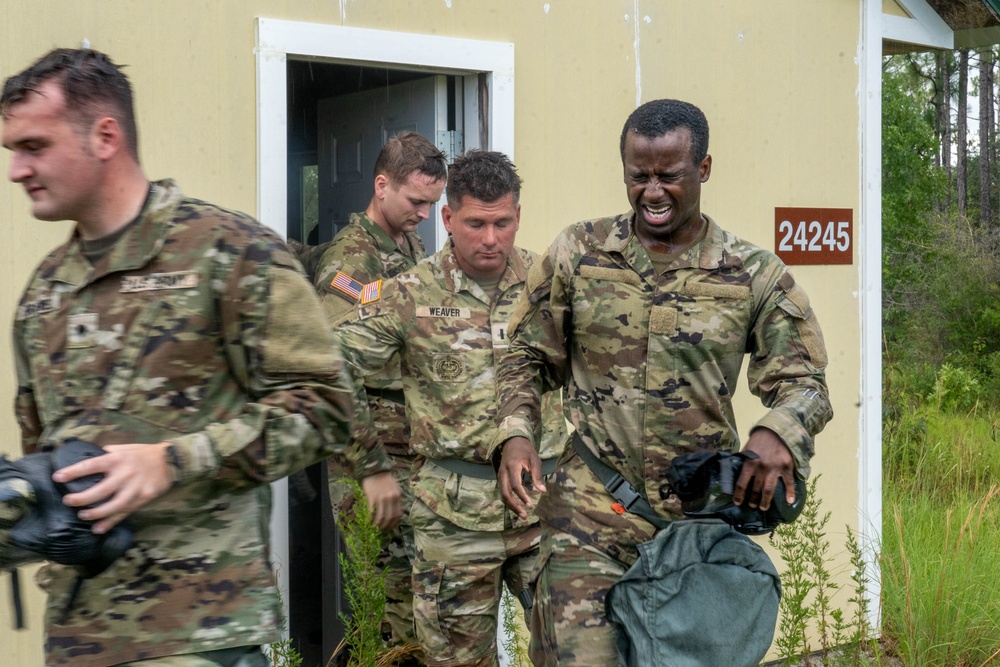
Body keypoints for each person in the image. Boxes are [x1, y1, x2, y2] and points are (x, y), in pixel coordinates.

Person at [0, 48, 400, 667]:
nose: (16, 169)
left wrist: (173, 461)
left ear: (105, 135)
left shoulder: (228, 255)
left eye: (34, 146)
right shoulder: (43, 295)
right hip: (79, 637)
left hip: (201, 635)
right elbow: (50, 460)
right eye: (12, 151)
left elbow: (326, 406)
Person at [493, 98, 833, 665]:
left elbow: (806, 380)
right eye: (638, 176)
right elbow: (526, 356)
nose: (652, 191)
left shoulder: (752, 272)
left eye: (669, 176)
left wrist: (779, 430)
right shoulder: (578, 253)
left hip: (696, 533)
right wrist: (515, 432)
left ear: (703, 168)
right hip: (589, 516)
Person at [333, 150, 566, 667]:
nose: (490, 239)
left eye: (502, 223)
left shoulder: (549, 286)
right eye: (475, 224)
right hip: (454, 523)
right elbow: (329, 365)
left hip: (544, 510)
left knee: (578, 653)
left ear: (518, 217)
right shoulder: (410, 294)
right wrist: (367, 461)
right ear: (447, 218)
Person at [310, 131, 447, 658]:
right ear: (381, 185)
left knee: (410, 610)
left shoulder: (407, 247)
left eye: (433, 205)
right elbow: (329, 370)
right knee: (388, 610)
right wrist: (371, 468)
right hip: (371, 463)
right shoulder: (353, 261)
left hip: (408, 458)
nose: (424, 215)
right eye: (416, 202)